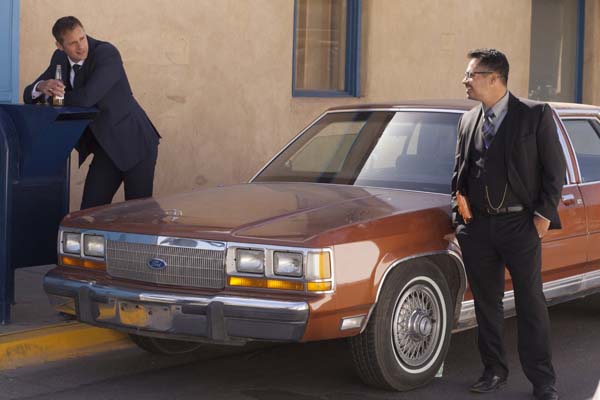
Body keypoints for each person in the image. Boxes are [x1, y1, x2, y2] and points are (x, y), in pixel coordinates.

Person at [451, 49, 565, 400]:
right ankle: (494, 371)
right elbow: (459, 173)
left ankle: (543, 381)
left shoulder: (535, 114)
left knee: (531, 303)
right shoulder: (468, 120)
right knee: (487, 305)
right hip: (478, 229)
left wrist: (542, 217)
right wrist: (460, 220)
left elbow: (555, 171)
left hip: (520, 225)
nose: (465, 81)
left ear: (494, 78)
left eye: (471, 75)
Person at [23, 16, 160, 210]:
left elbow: (88, 98)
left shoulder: (107, 54)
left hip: (135, 142)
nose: (81, 47)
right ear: (60, 46)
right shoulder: (59, 59)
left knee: (138, 215)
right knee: (89, 212)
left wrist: (53, 99)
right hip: (106, 148)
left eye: (82, 38)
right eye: (72, 43)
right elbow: (28, 95)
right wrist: (42, 86)